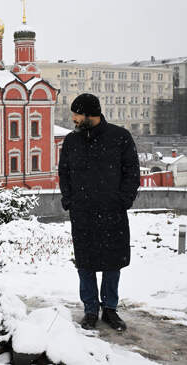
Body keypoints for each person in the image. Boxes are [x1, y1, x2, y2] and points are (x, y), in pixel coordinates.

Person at [58, 93, 140, 331]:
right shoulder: (72, 141)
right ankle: (91, 310)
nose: (73, 118)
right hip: (82, 214)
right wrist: (70, 200)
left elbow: (132, 172)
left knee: (112, 263)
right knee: (85, 264)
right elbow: (64, 172)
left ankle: (110, 310)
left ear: (88, 114)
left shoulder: (120, 137)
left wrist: (122, 201)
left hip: (112, 212)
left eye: (76, 114)